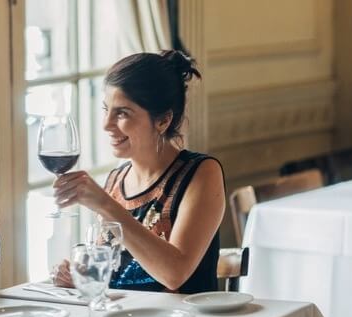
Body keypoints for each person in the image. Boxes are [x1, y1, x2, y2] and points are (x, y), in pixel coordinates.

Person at [52, 50, 224, 293]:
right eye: (106, 109)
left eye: (122, 113)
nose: (106, 124)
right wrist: (81, 276)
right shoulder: (116, 180)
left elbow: (174, 274)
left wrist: (105, 205)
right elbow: (116, 277)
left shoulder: (201, 173)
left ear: (163, 120)